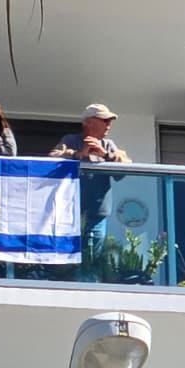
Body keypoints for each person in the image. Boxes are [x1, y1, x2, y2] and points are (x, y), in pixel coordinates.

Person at [50, 103, 131, 267]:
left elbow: (123, 171)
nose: (108, 125)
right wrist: (79, 154)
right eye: (104, 120)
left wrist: (106, 155)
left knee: (92, 256)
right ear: (88, 122)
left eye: (109, 121)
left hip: (96, 213)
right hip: (69, 211)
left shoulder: (109, 145)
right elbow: (53, 158)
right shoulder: (70, 140)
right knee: (66, 254)